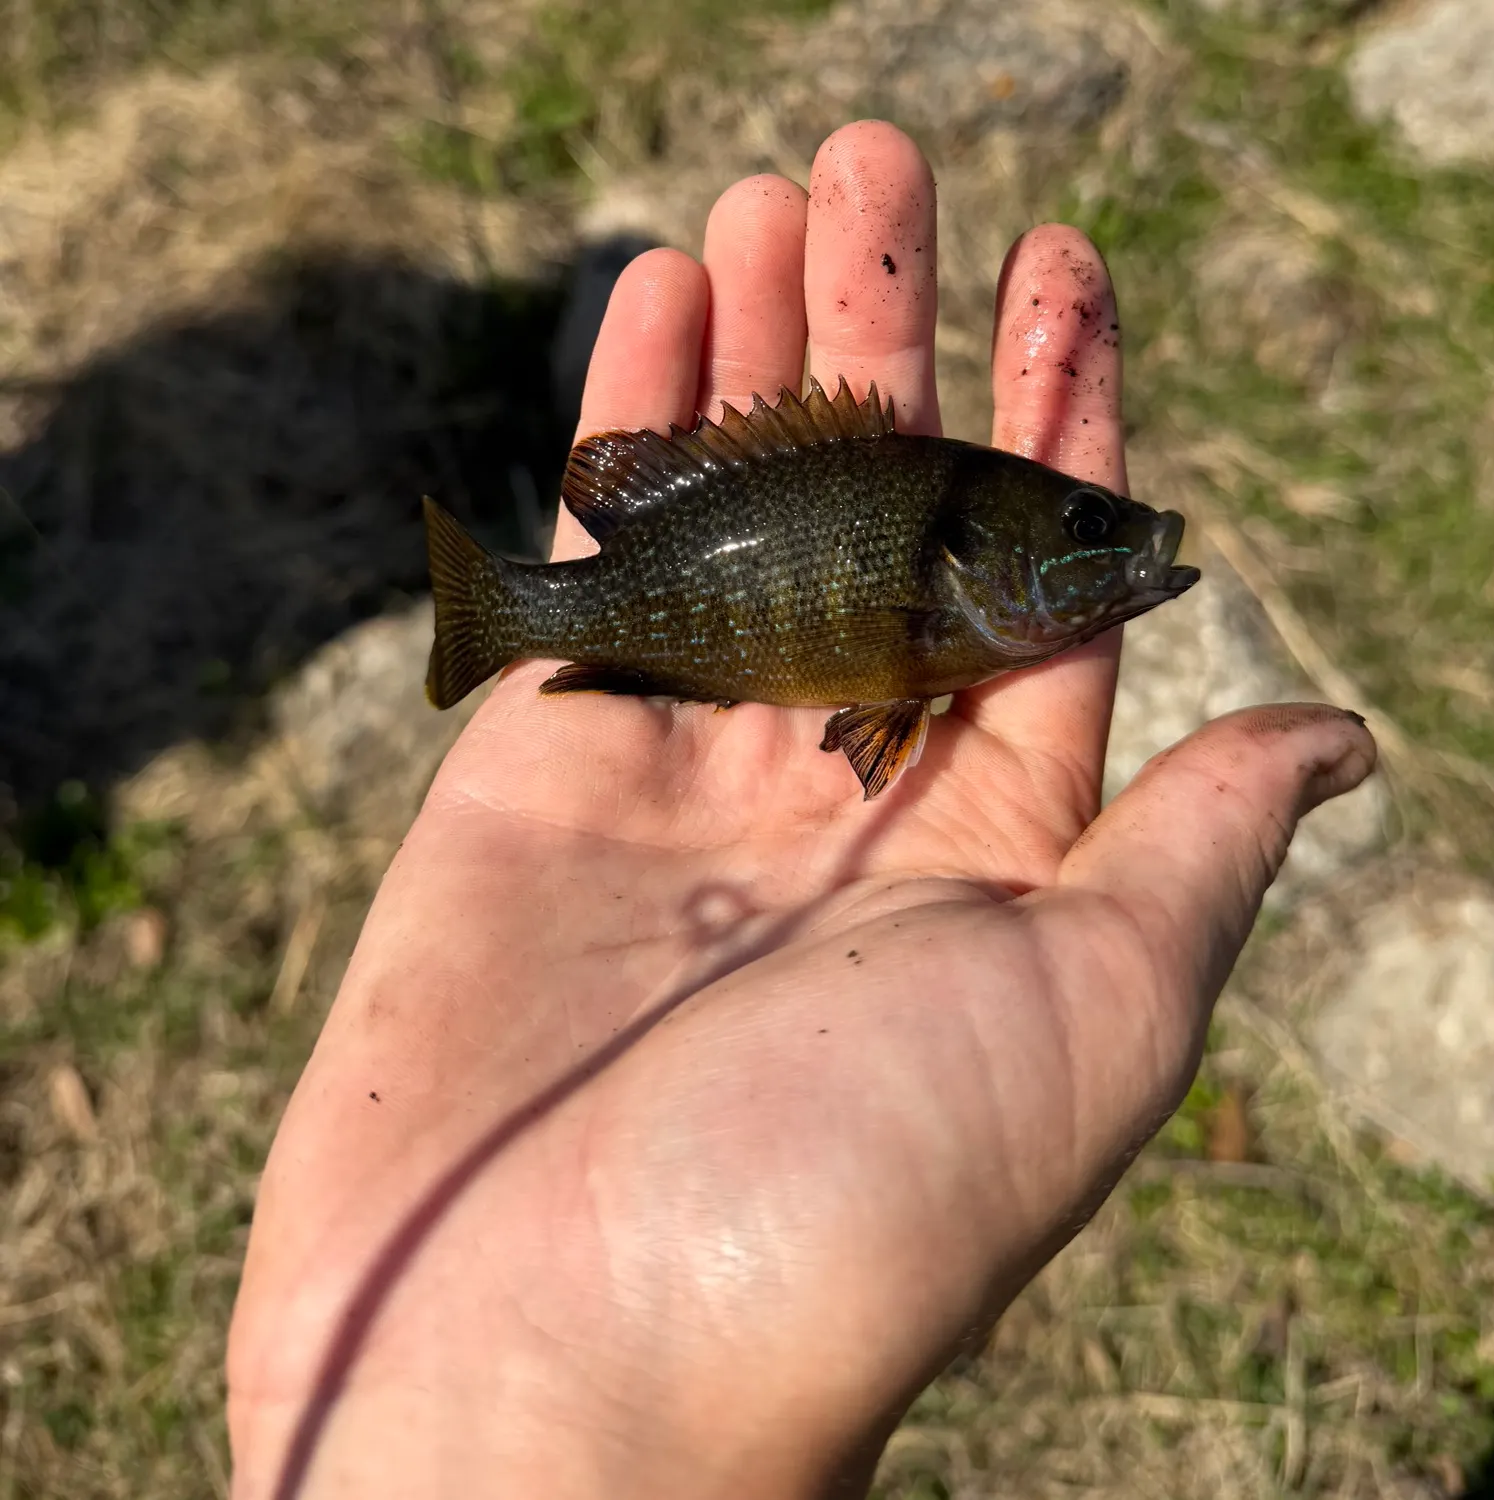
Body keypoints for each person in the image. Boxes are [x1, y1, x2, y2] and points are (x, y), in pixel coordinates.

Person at [225, 121, 1376, 1498]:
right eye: (1083, 531)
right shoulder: (943, 615)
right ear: (979, 565)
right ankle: (511, 614)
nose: (1120, 541)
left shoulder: (957, 617)